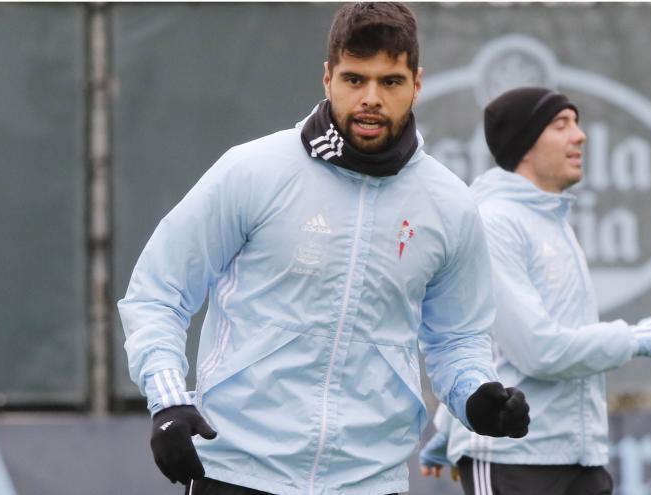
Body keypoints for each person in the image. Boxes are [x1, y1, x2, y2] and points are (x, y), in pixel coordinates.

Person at [119, 4, 530, 495]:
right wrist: (167, 401)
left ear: (416, 84)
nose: (371, 98)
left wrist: (477, 397)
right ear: (328, 78)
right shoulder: (253, 171)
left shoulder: (449, 205)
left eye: (390, 82)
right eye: (355, 80)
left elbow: (458, 339)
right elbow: (157, 293)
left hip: (370, 481)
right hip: (238, 471)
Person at [418, 87, 651, 495]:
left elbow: (494, 340)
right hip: (511, 459)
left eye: (575, 123)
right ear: (525, 143)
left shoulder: (553, 221)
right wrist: (633, 338)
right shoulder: (495, 222)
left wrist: (446, 427)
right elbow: (538, 349)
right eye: (561, 125)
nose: (580, 136)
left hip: (578, 458)